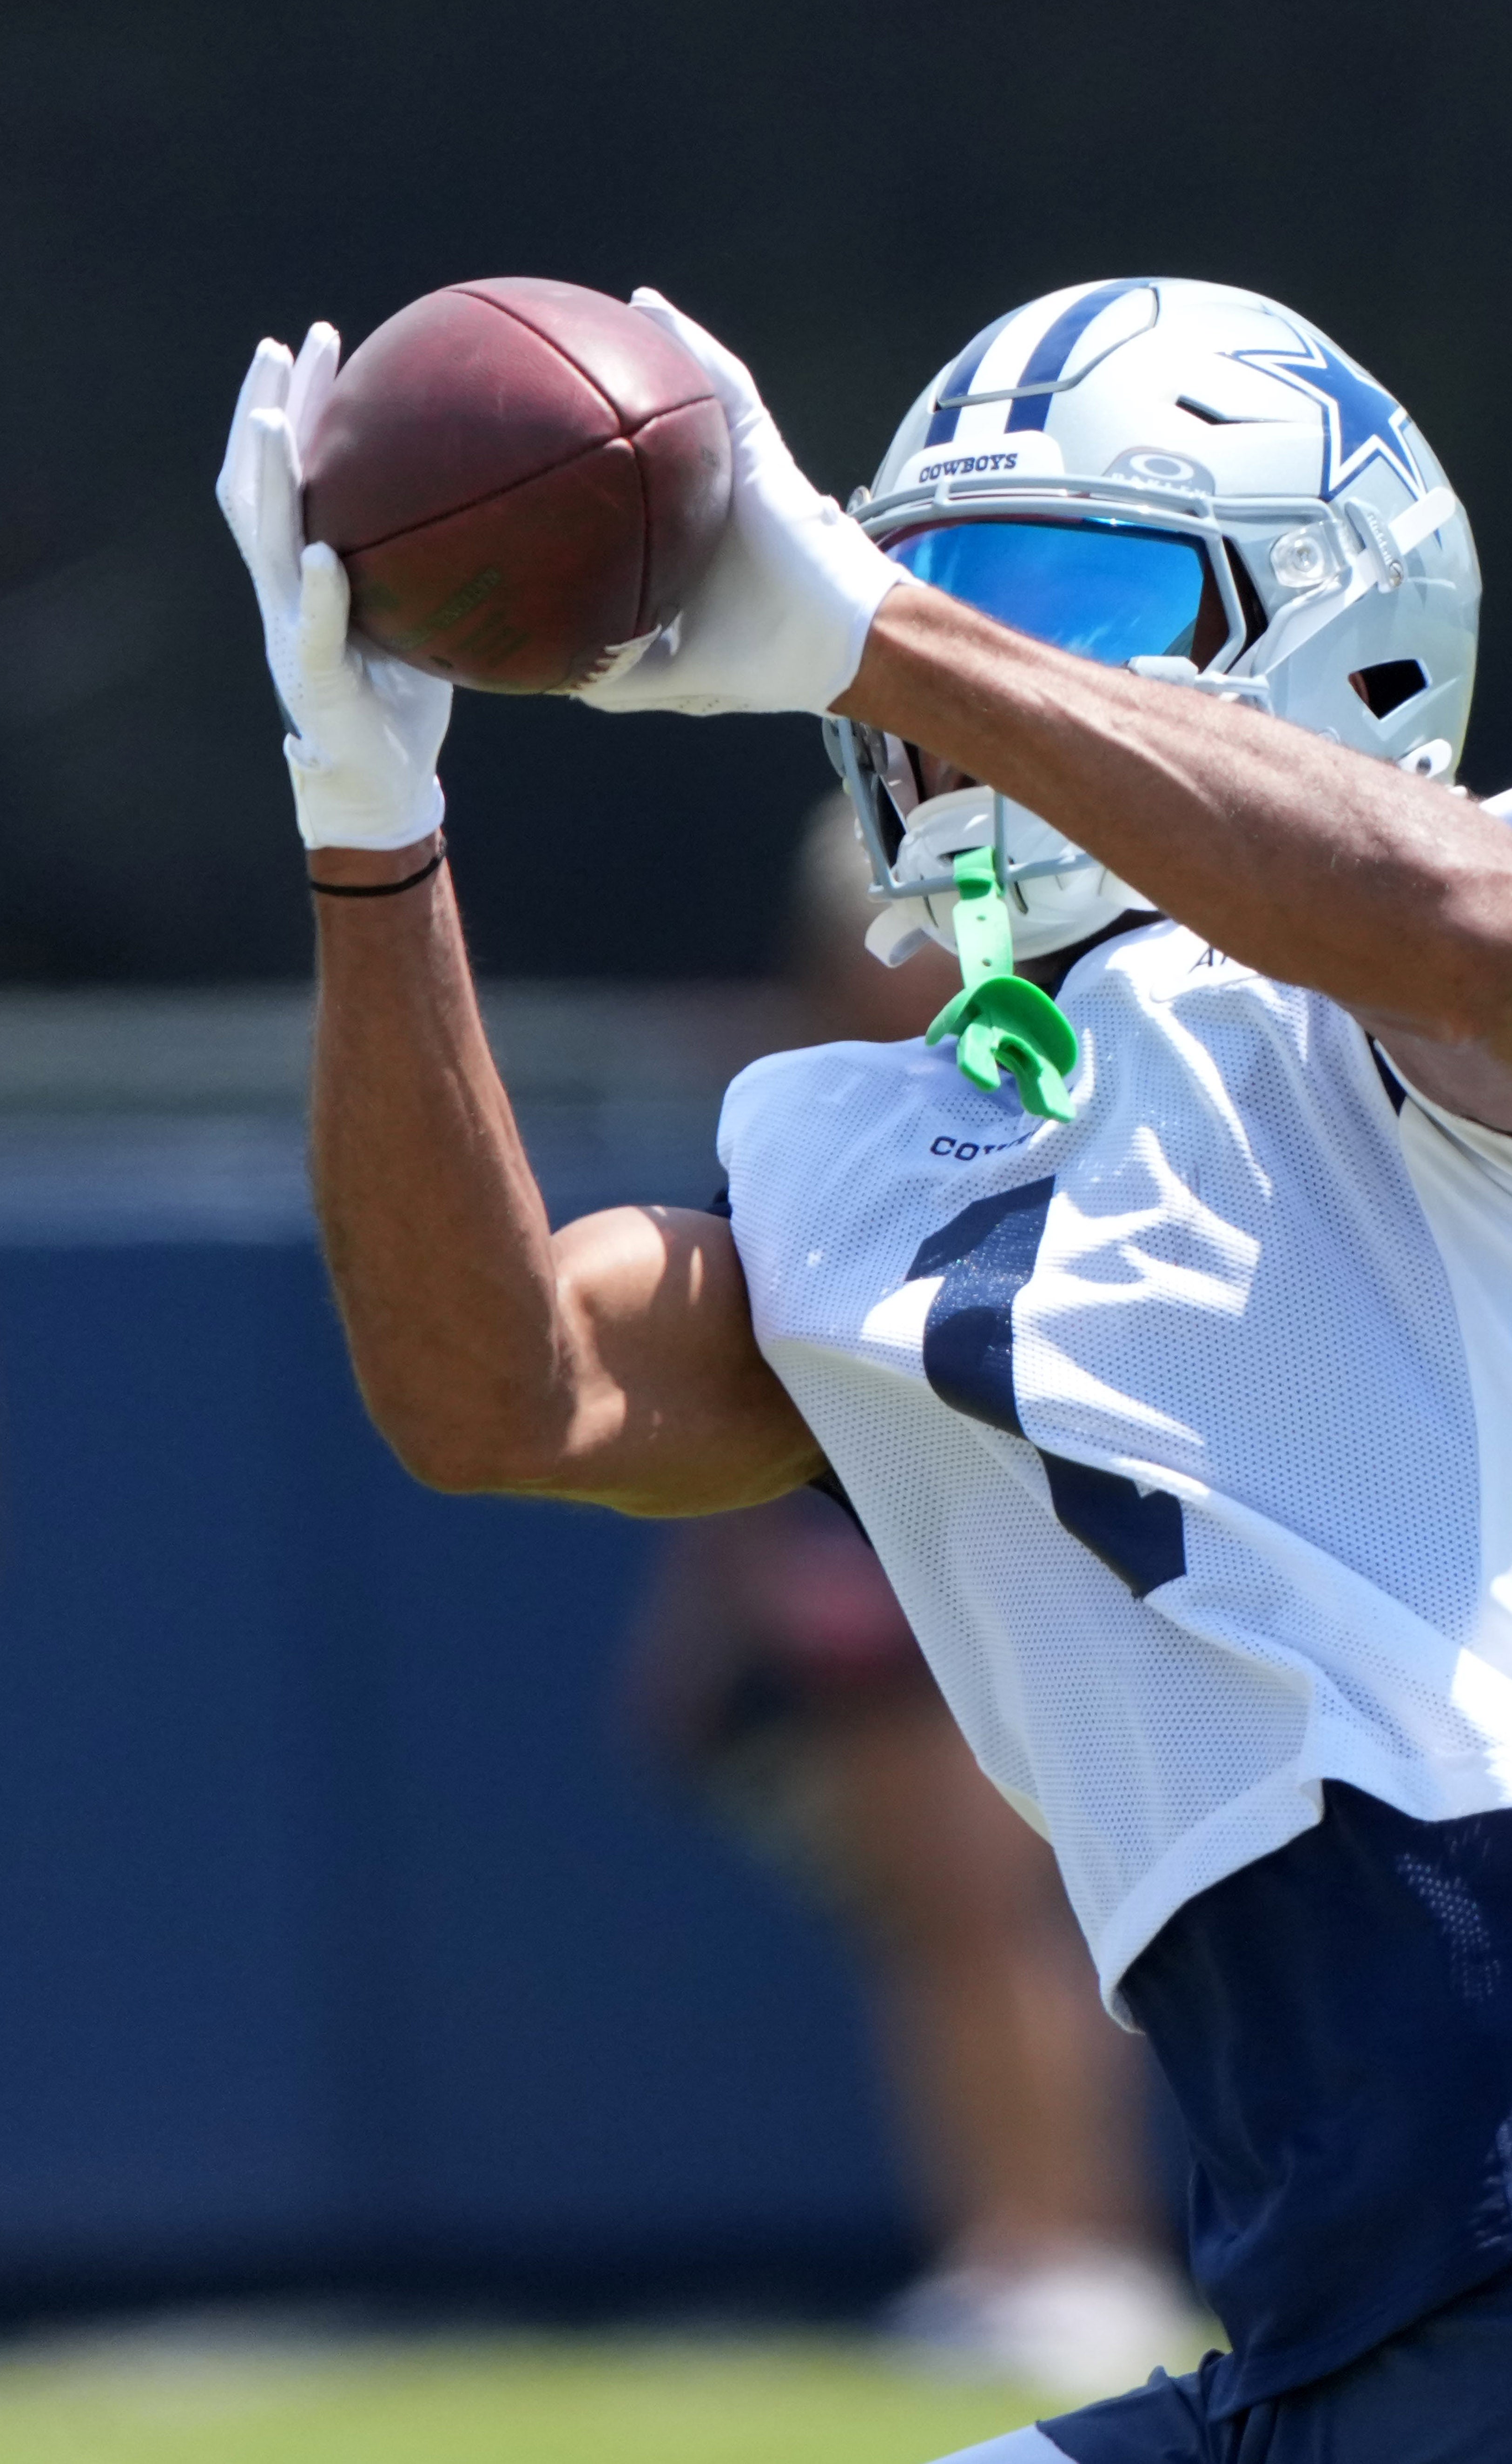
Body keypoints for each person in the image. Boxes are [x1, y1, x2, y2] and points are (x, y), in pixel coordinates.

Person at [218, 278, 1512, 2461]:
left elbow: (1496, 951)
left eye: (1055, 586)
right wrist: (368, 822)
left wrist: (871, 618)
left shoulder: (1497, 946)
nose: (934, 657)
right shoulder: (869, 1133)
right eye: (926, 573)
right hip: (1334, 2310)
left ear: (1345, 621)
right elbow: (500, 1389)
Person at [623, 803, 1191, 2398]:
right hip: (855, 1602)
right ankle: (1010, 2245)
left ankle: (1076, 2246)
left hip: (1001, 1576)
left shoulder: (1073, 1094)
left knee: (1012, 1935)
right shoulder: (793, 1121)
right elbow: (725, 1392)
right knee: (946, 1941)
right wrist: (705, 1621)